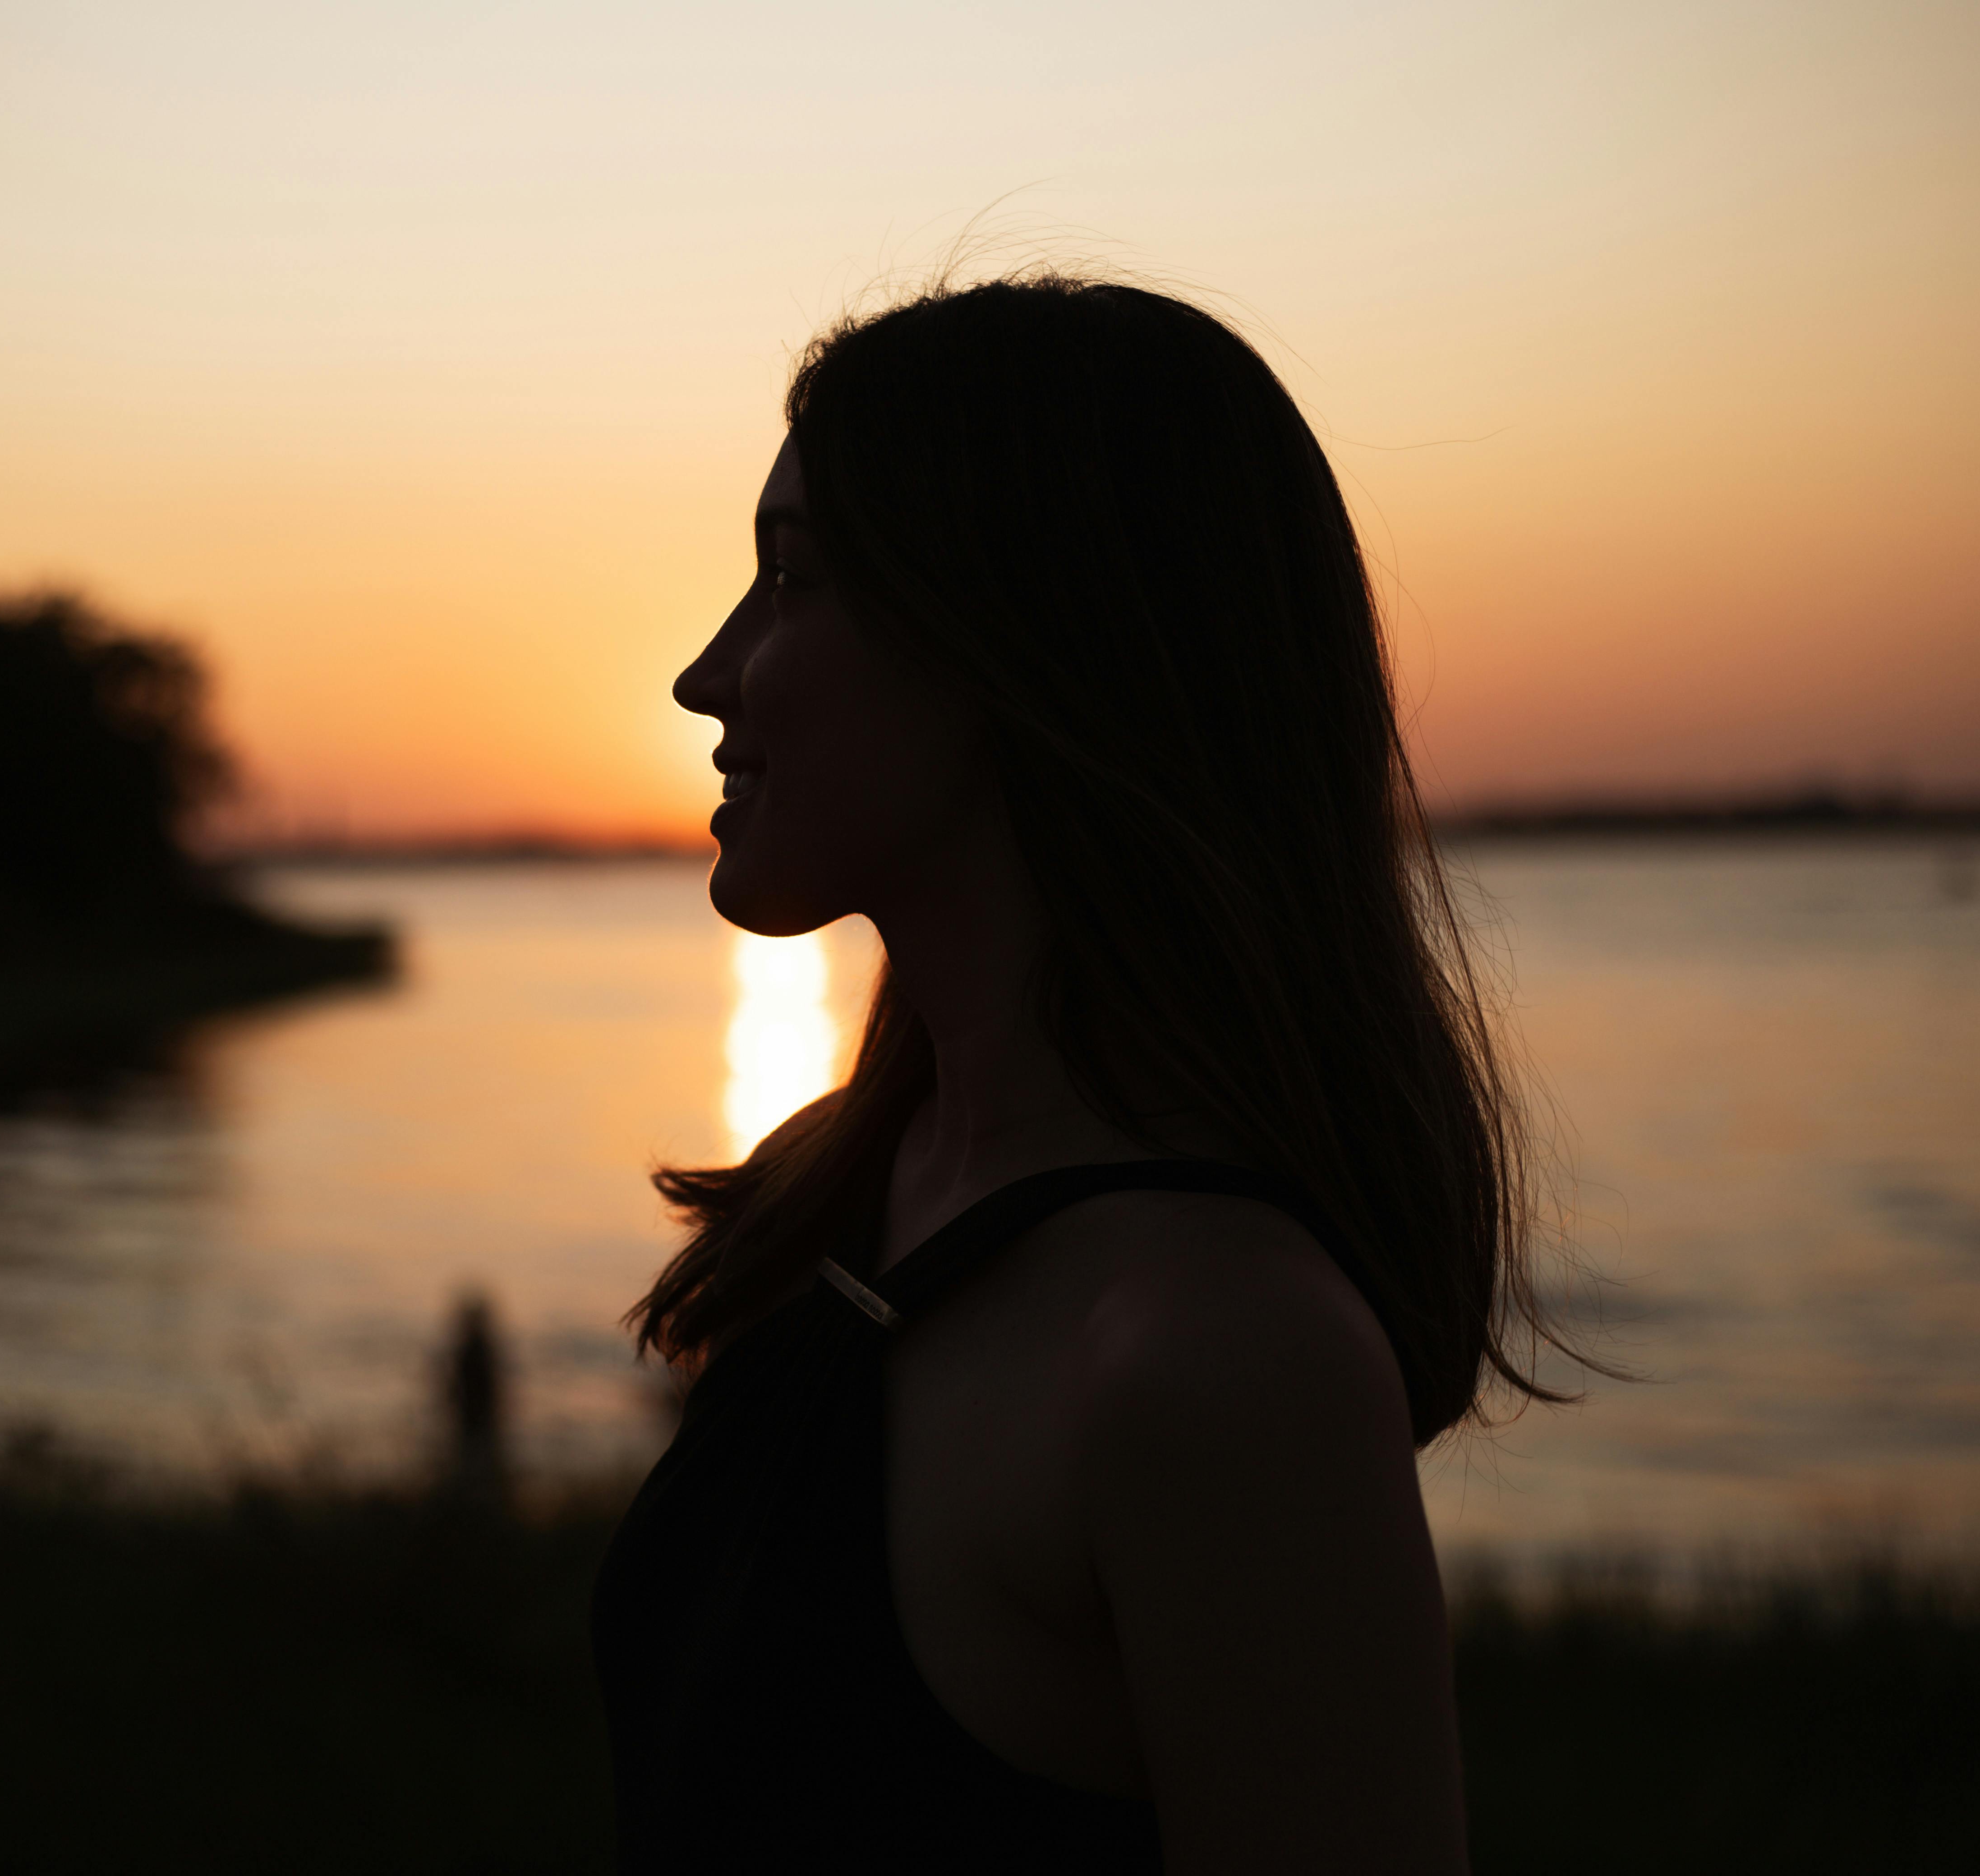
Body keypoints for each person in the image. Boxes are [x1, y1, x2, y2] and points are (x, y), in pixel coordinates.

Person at [589, 272, 1563, 1875]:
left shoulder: (1223, 1360)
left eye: (796, 579)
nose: (710, 674)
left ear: (1021, 646)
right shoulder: (837, 1189)